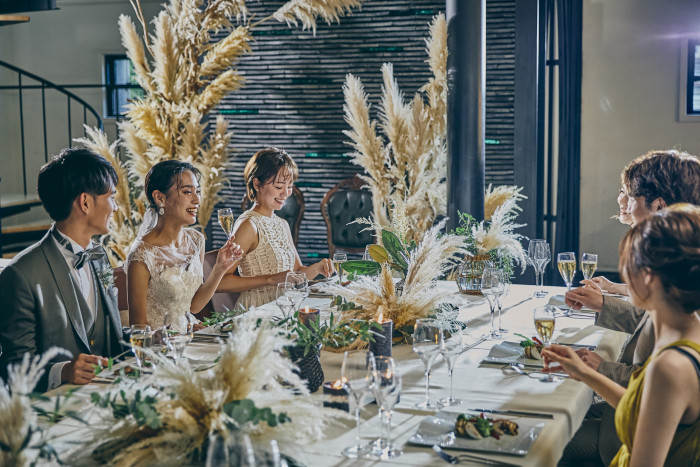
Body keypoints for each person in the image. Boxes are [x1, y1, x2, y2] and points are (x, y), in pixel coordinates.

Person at [560, 150, 700, 465]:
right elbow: (650, 404)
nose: (622, 279)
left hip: (619, 444)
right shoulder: (683, 320)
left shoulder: (672, 362)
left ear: (649, 274)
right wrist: (586, 371)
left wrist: (599, 368)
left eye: (628, 266)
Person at [0, 148, 124, 391]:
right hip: (56, 413)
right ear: (85, 202)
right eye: (111, 197)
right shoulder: (19, 275)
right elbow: (13, 368)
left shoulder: (99, 257)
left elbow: (110, 336)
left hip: (108, 399)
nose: (116, 207)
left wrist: (152, 341)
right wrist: (62, 371)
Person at [126, 160, 242, 330]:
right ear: (160, 197)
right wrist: (177, 340)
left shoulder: (196, 240)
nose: (197, 200)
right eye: (187, 192)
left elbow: (193, 306)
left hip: (190, 335)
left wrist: (219, 268)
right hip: (161, 348)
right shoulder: (141, 255)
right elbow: (139, 329)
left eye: (198, 192)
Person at [217, 147, 333, 309]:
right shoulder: (248, 225)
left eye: (290, 186)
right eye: (279, 186)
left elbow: (297, 272)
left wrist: (318, 268)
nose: (285, 194)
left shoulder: (282, 224)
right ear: (257, 184)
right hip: (257, 309)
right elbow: (221, 282)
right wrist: (271, 279)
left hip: (285, 306)